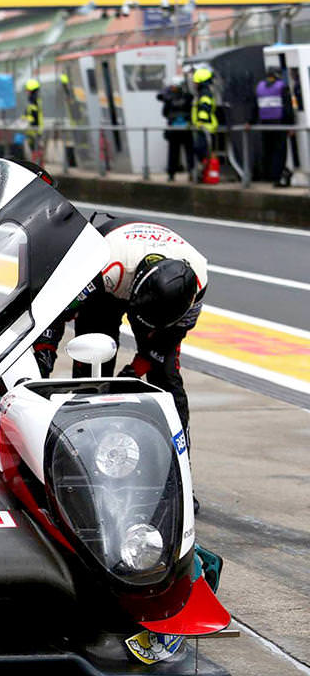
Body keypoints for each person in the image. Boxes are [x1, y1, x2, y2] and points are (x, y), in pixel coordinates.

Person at [33, 216, 208, 438]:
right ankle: (85, 442)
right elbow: (54, 309)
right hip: (106, 284)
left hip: (147, 285)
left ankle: (179, 451)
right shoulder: (104, 263)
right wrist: (44, 353)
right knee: (92, 369)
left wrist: (136, 370)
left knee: (166, 375)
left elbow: (168, 341)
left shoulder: (198, 279)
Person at [254, 66, 294, 186]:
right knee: (279, 152)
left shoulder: (260, 87)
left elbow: (255, 107)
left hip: (265, 125)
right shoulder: (282, 86)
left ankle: (268, 176)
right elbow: (287, 108)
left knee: (268, 150)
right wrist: (290, 126)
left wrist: (250, 122)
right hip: (279, 125)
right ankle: (278, 177)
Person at [157, 75, 194, 182]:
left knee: (173, 152)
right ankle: (191, 172)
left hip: (173, 130)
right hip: (187, 129)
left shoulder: (169, 98)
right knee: (189, 152)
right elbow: (191, 111)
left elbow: (164, 113)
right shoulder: (188, 97)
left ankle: (171, 174)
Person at [191, 67, 218, 175]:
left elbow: (204, 107)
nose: (194, 84)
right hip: (203, 126)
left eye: (196, 82)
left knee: (201, 149)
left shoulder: (205, 93)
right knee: (202, 150)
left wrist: (201, 121)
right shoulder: (204, 92)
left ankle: (203, 170)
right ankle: (203, 171)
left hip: (205, 127)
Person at [23, 78, 44, 165]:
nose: (26, 91)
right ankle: (38, 165)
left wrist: (26, 119)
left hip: (34, 130)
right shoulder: (33, 101)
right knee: (35, 148)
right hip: (33, 130)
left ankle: (38, 166)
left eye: (28, 90)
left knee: (36, 149)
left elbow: (34, 117)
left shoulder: (34, 101)